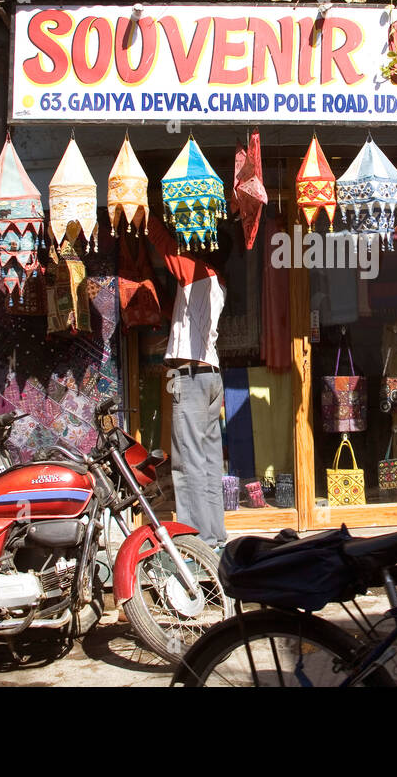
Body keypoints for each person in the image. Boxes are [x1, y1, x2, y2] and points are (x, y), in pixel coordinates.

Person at [144, 214, 233, 551]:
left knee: (188, 463)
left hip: (193, 379)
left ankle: (196, 545)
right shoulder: (215, 281)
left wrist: (146, 214)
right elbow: (180, 316)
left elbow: (165, 248)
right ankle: (214, 539)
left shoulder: (196, 272)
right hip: (209, 376)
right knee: (208, 462)